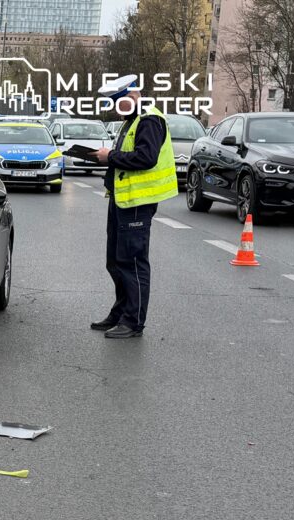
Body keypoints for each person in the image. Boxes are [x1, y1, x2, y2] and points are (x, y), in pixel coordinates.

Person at [90, 75, 177, 339]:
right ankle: (120, 313)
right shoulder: (133, 120)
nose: (117, 110)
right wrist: (104, 158)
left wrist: (110, 156)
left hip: (138, 202)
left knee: (133, 262)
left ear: (132, 97)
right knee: (116, 262)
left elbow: (146, 158)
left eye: (119, 104)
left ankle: (133, 321)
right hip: (122, 200)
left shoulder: (149, 120)